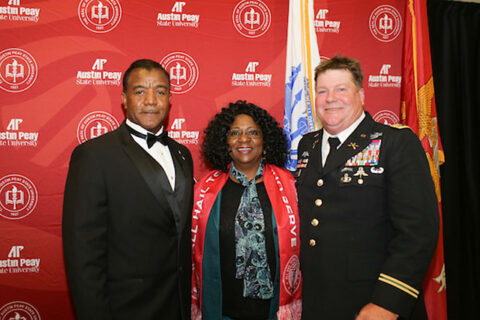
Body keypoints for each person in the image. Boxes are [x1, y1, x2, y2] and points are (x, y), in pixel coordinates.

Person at [295, 55, 439, 320]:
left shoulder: (395, 143)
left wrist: (388, 303)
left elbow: (418, 232)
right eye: (322, 91)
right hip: (318, 301)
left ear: (361, 94)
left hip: (373, 304)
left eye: (341, 89)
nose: (330, 98)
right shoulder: (308, 145)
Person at [62, 59, 193, 320]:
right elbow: (83, 254)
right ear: (124, 98)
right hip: (125, 310)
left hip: (177, 306)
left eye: (160, 91)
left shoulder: (183, 154)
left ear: (169, 98)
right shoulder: (94, 155)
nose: (151, 100)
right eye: (140, 91)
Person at [191, 101, 302, 320]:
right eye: (235, 133)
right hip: (223, 309)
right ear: (225, 142)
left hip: (273, 311)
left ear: (265, 141)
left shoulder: (290, 184)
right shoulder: (205, 189)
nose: (244, 139)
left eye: (253, 132)